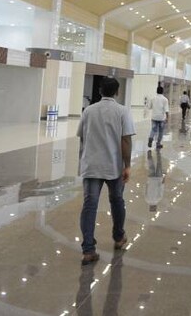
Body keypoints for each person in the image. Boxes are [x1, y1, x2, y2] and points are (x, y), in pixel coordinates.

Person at [77, 77, 134, 265]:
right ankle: (119, 237)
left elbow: (82, 137)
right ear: (117, 92)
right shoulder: (122, 111)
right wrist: (127, 165)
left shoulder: (89, 111)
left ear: (100, 91)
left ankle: (88, 250)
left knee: (89, 205)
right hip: (114, 165)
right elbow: (125, 140)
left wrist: (83, 160)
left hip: (91, 165)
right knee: (117, 200)